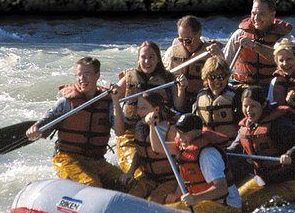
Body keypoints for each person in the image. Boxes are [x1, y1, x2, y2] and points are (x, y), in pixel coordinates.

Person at [25, 57, 126, 190]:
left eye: (87, 74)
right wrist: (35, 128)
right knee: (91, 184)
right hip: (67, 158)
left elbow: (119, 131)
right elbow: (46, 120)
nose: (82, 78)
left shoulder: (107, 102)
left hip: (96, 161)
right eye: (79, 74)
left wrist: (116, 100)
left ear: (97, 75)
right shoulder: (66, 102)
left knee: (127, 183)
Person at [226, 87, 295, 213]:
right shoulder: (246, 126)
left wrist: (289, 154)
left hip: (290, 183)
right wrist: (217, 152)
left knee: (243, 205)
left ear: (264, 105)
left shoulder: (278, 123)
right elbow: (233, 149)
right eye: (245, 106)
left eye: (253, 106)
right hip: (266, 181)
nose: (248, 111)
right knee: (233, 201)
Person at [153, 113, 242, 213]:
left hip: (227, 207)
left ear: (198, 133)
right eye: (178, 132)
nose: (179, 137)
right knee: (164, 208)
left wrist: (195, 198)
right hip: (205, 202)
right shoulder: (184, 148)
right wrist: (151, 125)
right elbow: (157, 147)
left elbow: (221, 189)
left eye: (184, 133)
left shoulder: (207, 154)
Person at [115, 40, 181, 174]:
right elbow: (111, 95)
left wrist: (182, 88)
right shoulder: (128, 77)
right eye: (143, 57)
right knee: (139, 172)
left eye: (151, 57)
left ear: (158, 59)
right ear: (138, 59)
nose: (147, 61)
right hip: (131, 134)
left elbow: (179, 105)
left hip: (159, 130)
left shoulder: (168, 78)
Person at [222, 0, 293, 88]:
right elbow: (224, 62)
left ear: (272, 15)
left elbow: (280, 57)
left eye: (261, 14)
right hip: (242, 86)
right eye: (253, 13)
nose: (256, 18)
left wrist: (254, 45)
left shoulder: (283, 36)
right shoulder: (240, 34)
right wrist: (216, 54)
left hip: (271, 87)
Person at [120, 92, 178, 203]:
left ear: (156, 110)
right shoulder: (140, 126)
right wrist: (131, 172)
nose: (138, 112)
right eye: (138, 108)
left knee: (152, 202)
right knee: (129, 200)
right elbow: (140, 151)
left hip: (169, 180)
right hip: (148, 178)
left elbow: (181, 159)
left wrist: (177, 193)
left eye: (143, 108)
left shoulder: (170, 130)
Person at [164, 15, 223, 112]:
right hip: (178, 102)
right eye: (181, 40)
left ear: (199, 34)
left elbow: (224, 77)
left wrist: (219, 56)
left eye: (188, 40)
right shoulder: (171, 52)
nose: (184, 44)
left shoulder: (212, 54)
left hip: (203, 101)